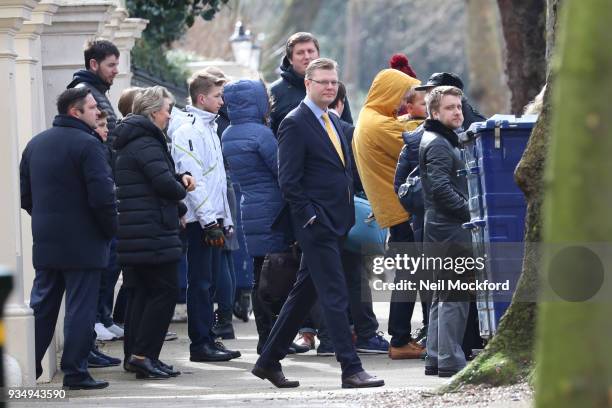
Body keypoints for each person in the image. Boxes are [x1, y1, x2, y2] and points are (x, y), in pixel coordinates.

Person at [252, 58, 384, 389]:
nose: (329, 86)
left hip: (337, 223)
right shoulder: (295, 122)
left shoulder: (334, 122)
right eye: (322, 81)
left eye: (333, 82)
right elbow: (289, 181)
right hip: (316, 226)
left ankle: (268, 362)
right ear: (308, 84)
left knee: (302, 295)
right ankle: (351, 368)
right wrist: (311, 217)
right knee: (335, 294)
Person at [20, 87, 117, 390]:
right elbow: (102, 198)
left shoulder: (36, 144)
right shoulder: (89, 146)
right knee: (81, 308)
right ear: (75, 112)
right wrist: (109, 230)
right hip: (85, 241)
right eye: (91, 108)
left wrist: (47, 220)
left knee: (42, 305)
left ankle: (25, 368)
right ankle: (75, 372)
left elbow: (26, 196)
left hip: (47, 239)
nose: (97, 113)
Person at [113, 86, 194, 380]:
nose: (169, 115)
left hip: (137, 230)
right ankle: (143, 354)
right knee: (164, 291)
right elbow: (164, 185)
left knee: (141, 293)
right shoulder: (147, 141)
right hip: (151, 231)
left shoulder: (131, 140)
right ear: (153, 112)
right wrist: (183, 185)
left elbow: (151, 180)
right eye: (166, 110)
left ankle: (137, 356)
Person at [352, 69, 425, 360]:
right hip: (401, 212)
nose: (405, 104)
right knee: (409, 278)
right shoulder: (380, 125)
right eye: (403, 96)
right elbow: (419, 139)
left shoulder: (372, 117)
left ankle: (402, 337)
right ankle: (400, 338)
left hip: (394, 212)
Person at [313, 82, 389, 356]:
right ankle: (365, 333)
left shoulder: (302, 127)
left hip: (317, 216)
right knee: (355, 277)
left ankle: (328, 338)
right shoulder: (347, 132)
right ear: (341, 104)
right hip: (348, 217)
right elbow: (360, 176)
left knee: (322, 280)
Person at [169, 68, 240, 362]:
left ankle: (208, 338)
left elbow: (217, 180)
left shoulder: (209, 128)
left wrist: (226, 219)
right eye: (217, 96)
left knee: (207, 281)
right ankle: (200, 343)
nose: (222, 101)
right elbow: (194, 180)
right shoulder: (188, 131)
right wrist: (210, 220)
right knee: (200, 282)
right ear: (201, 98)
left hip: (211, 218)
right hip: (201, 220)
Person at [221, 78, 290, 354]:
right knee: (276, 276)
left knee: (260, 272)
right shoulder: (260, 134)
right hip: (272, 207)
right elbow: (281, 170)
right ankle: (274, 338)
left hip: (249, 205)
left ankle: (267, 338)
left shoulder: (229, 133)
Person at [419, 86, 472, 377]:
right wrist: (470, 211)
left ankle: (437, 356)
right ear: (435, 112)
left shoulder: (439, 138)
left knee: (444, 296)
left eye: (459, 107)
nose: (457, 112)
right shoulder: (439, 142)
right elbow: (440, 189)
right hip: (448, 229)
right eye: (450, 107)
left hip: (440, 227)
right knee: (455, 296)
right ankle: (450, 359)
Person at [269, 32, 353, 135]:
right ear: (290, 59)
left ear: (318, 55)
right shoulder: (274, 92)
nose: (307, 56)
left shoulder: (334, 89)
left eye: (311, 51)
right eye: (300, 53)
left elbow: (348, 134)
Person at [67, 39, 119, 142]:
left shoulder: (96, 91)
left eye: (116, 65)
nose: (116, 71)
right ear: (94, 64)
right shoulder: (84, 93)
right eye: (111, 65)